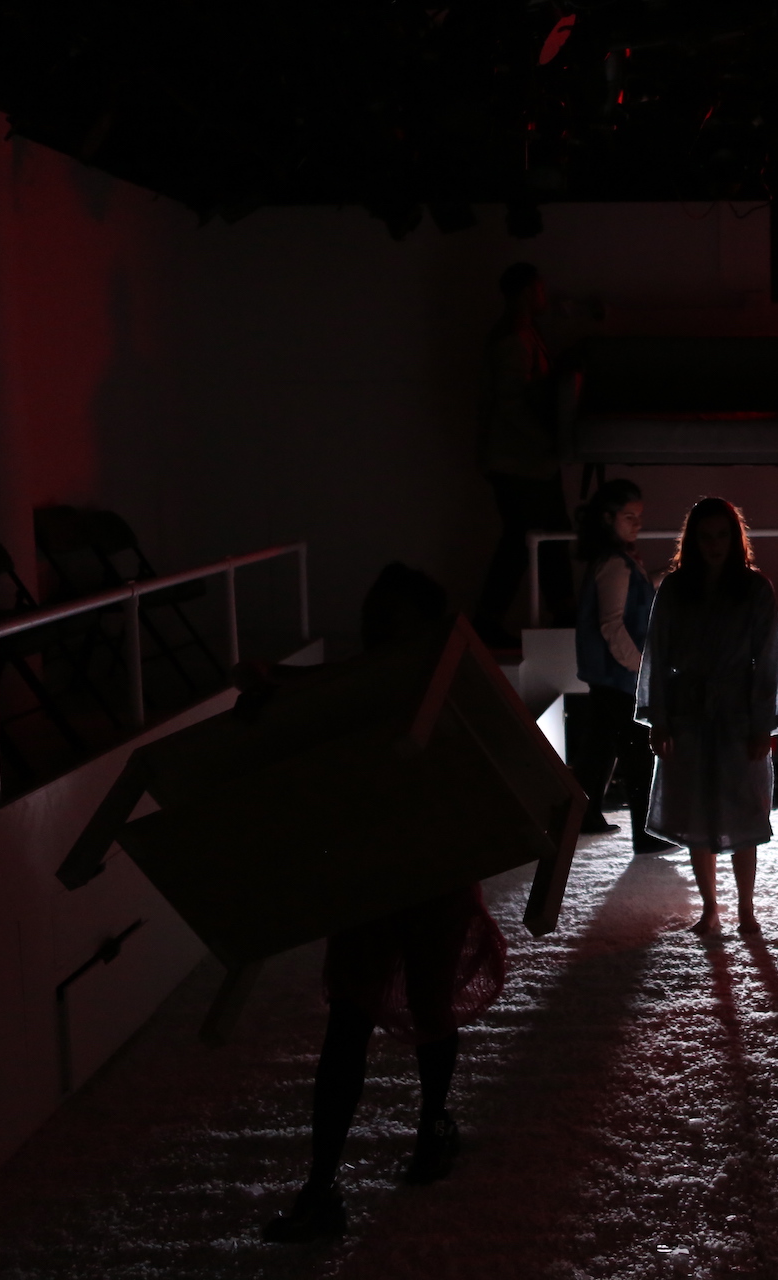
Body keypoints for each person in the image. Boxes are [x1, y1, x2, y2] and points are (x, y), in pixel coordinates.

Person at [263, 563, 509, 1243]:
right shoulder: (361, 687)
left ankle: (429, 1127)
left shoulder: (450, 689)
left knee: (424, 1007)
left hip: (428, 868)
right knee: (349, 1017)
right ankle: (324, 1183)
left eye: (393, 623)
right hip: (374, 869)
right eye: (377, 622)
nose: (381, 634)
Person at [637, 498, 778, 933]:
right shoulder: (674, 588)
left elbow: (770, 660)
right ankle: (709, 908)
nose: (715, 544)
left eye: (723, 534)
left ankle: (745, 908)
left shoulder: (756, 589)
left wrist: (764, 724)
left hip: (738, 712)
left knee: (744, 809)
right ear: (692, 539)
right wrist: (659, 718)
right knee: (694, 808)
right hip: (687, 711)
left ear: (735, 538)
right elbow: (658, 654)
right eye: (706, 536)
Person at [472, 262, 573, 648]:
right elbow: (511, 403)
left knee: (541, 536)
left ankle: (560, 613)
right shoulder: (514, 338)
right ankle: (491, 619)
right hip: (521, 463)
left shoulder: (520, 335)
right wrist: (546, 442)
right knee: (525, 540)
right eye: (541, 290)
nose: (545, 297)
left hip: (525, 462)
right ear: (528, 291)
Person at [573, 478, 675, 854]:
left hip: (610, 677)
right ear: (607, 518)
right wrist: (641, 668)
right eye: (629, 516)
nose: (637, 523)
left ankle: (584, 816)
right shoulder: (615, 564)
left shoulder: (616, 562)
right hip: (619, 677)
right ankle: (646, 837)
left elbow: (626, 606)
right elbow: (612, 625)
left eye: (638, 517)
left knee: (600, 749)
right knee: (637, 753)